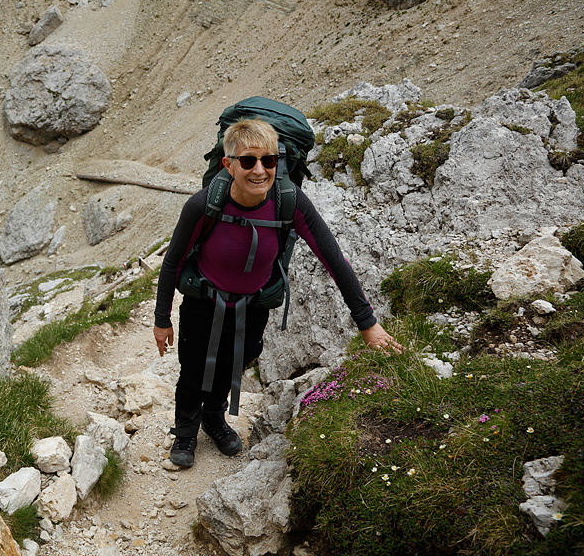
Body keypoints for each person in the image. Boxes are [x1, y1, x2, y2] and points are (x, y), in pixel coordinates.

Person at [153, 118, 401, 467]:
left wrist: (368, 323)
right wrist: (161, 318)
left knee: (235, 361)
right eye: (249, 161)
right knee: (194, 367)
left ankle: (213, 418)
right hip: (203, 300)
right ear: (228, 164)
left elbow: (334, 260)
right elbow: (173, 261)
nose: (260, 170)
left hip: (253, 305)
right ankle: (185, 432)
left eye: (268, 161)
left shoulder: (290, 201)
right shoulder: (204, 204)